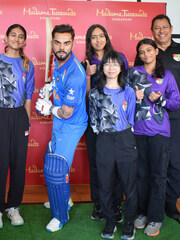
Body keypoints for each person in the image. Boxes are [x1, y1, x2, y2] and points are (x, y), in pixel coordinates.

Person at [134, 14, 180, 219]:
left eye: (164, 27)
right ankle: (148, 205)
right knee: (150, 162)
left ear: (171, 28)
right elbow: (135, 81)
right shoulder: (147, 51)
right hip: (149, 118)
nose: (161, 31)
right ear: (152, 31)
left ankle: (170, 203)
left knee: (174, 162)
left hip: (175, 115)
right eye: (157, 28)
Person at [0, 24, 35, 229]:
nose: (17, 39)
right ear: (6, 37)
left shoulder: (27, 63)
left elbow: (28, 95)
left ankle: (13, 207)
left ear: (24, 41)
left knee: (19, 164)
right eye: (13, 35)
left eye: (21, 36)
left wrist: (26, 121)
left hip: (19, 115)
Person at [35, 24, 87, 232]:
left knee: (56, 169)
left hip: (71, 123)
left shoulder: (75, 72)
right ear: (52, 43)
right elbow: (59, 84)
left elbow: (67, 112)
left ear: (73, 43)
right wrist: (51, 87)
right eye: (58, 42)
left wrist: (49, 108)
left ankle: (60, 216)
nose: (62, 47)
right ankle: (65, 200)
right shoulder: (58, 61)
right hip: (61, 122)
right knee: (53, 161)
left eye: (67, 43)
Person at [129, 38, 180, 236]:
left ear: (156, 51)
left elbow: (176, 103)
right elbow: (122, 98)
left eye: (149, 50)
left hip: (159, 132)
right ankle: (142, 213)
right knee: (141, 175)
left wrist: (162, 99)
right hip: (137, 131)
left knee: (158, 175)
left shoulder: (166, 75)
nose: (145, 55)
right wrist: (134, 97)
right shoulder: (133, 73)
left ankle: (156, 217)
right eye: (142, 52)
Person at [82, 24, 129, 222]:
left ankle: (116, 205)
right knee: (96, 165)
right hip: (95, 124)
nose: (98, 40)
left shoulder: (119, 58)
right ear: (89, 41)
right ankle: (99, 204)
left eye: (101, 36)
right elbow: (85, 98)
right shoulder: (86, 62)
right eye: (94, 37)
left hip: (118, 124)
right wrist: (87, 75)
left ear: (107, 38)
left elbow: (127, 87)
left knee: (116, 166)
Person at [88, 50, 137, 240]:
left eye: (115, 64)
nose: (111, 67)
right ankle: (110, 220)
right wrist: (101, 132)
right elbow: (93, 119)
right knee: (105, 185)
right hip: (104, 141)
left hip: (125, 139)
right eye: (107, 64)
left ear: (121, 67)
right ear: (102, 68)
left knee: (129, 185)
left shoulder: (129, 91)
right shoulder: (95, 93)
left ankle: (129, 222)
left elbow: (131, 118)